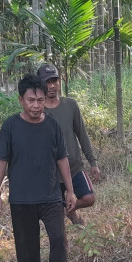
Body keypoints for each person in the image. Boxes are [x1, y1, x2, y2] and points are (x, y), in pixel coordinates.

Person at [0, 75, 77, 262]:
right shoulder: (10, 126)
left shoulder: (52, 125)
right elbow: (0, 160)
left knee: (58, 238)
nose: (36, 105)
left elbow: (62, 159)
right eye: (31, 100)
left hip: (50, 194)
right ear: (21, 100)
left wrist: (70, 190)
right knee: (26, 243)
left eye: (40, 100)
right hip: (21, 197)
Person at [36, 63, 101, 226]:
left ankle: (68, 210)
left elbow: (82, 134)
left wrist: (93, 162)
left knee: (89, 198)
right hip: (51, 172)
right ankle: (70, 217)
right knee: (54, 214)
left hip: (74, 167)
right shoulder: (38, 110)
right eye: (47, 82)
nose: (51, 86)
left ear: (59, 82)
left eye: (54, 81)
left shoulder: (70, 105)